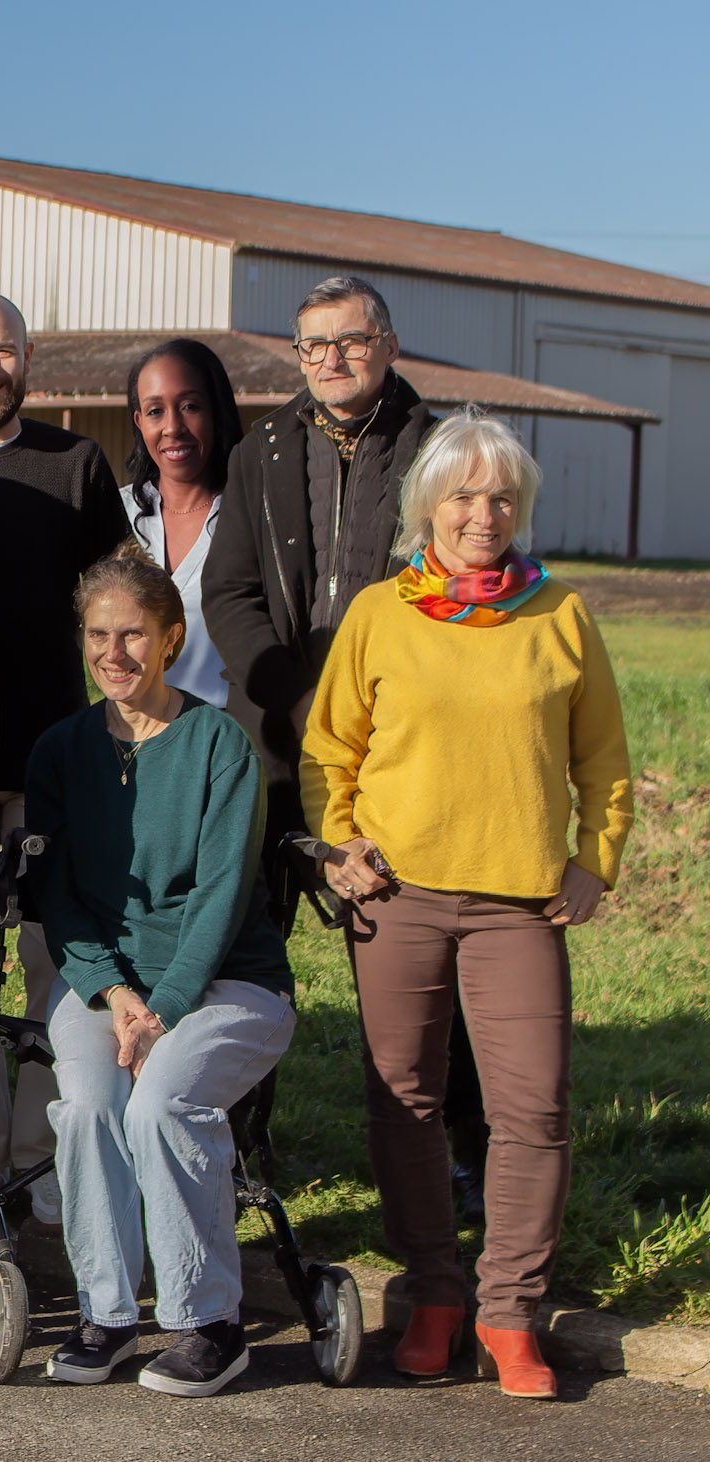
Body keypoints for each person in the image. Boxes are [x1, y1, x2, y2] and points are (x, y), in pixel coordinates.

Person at [299, 410, 632, 1400]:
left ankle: (508, 1312)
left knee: (533, 1107)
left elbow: (604, 761)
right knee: (403, 1098)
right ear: (426, 506)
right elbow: (328, 750)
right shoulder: (378, 614)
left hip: (518, 901)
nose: (483, 515)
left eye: (501, 498)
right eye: (463, 496)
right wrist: (339, 845)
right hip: (396, 893)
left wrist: (594, 860)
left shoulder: (560, 615)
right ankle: (434, 1294)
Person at [25, 551, 296, 1399]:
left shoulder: (221, 745)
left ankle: (210, 1322)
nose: (114, 654)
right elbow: (58, 900)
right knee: (89, 1106)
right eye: (98, 635)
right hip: (105, 983)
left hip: (230, 983)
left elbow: (222, 895)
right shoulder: (60, 751)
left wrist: (163, 1007)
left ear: (171, 638)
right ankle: (106, 1315)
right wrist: (117, 995)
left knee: (161, 1104)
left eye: (134, 635)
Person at [0, 290, 130, 1235]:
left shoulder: (76, 463)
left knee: (59, 968)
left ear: (28, 357)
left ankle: (42, 1158)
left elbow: (119, 598)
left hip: (57, 760)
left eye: (2, 350)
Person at [199, 275, 435, 927]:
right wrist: (294, 694)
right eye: (313, 345)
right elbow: (229, 588)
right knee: (252, 919)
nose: (331, 359)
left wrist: (380, 701)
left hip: (395, 723)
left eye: (351, 341)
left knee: (391, 910)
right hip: (277, 718)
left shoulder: (438, 452)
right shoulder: (260, 451)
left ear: (390, 346)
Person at [118, 338, 246, 707]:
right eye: (155, 411)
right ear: (139, 422)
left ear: (216, 411)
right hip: (127, 732)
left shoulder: (252, 516)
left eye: (190, 406)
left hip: (226, 730)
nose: (173, 427)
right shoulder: (115, 514)